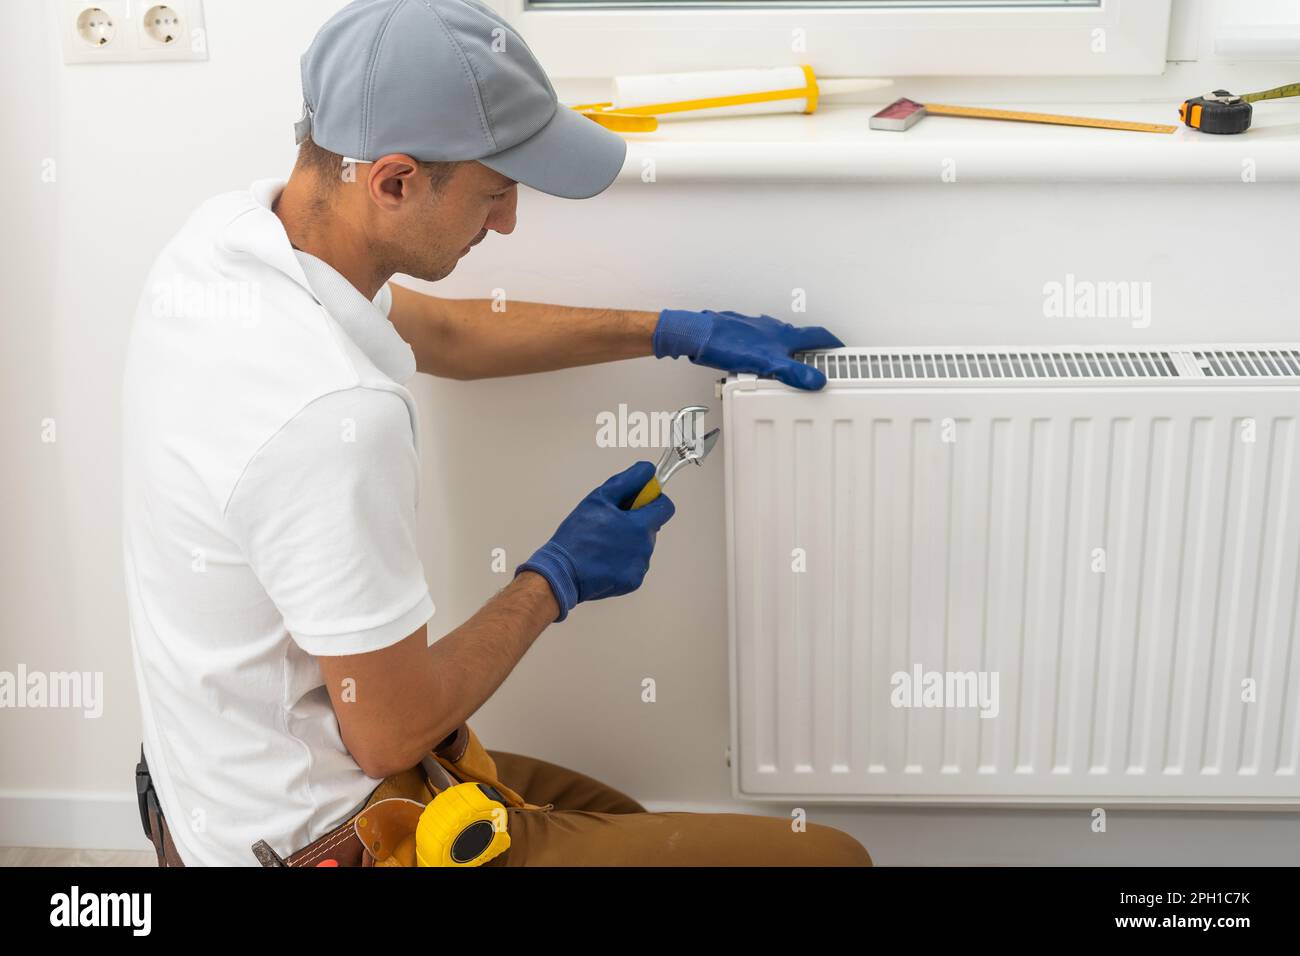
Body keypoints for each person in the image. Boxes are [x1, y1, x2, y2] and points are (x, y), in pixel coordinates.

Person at [123, 0, 863, 866]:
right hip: (329, 836)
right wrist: (555, 577)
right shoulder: (329, 418)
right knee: (831, 860)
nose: (508, 221)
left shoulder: (224, 250)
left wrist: (670, 328)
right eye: (495, 189)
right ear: (394, 181)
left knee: (625, 812)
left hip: (214, 794)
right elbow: (390, 733)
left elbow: (443, 334)